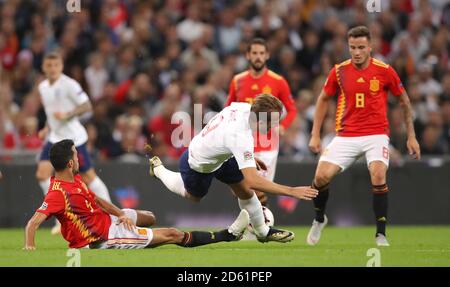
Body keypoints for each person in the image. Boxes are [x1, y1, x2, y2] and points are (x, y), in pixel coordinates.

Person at [148, 94, 318, 243]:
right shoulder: (240, 136)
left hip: (222, 155)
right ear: (259, 121)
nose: (275, 126)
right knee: (193, 196)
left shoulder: (244, 108)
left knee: (243, 189)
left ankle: (263, 231)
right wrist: (292, 191)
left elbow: (230, 139)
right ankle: (159, 170)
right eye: (273, 122)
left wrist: (248, 157)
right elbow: (253, 179)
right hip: (198, 163)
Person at [306, 26, 421, 247]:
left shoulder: (385, 70)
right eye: (352, 47)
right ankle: (319, 219)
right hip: (346, 134)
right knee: (320, 178)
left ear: (370, 47)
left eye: (361, 47)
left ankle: (380, 234)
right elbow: (322, 99)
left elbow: (404, 101)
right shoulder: (339, 71)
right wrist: (315, 134)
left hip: (376, 134)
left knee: (378, 175)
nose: (356, 52)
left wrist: (411, 136)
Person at [24, 139, 250, 250]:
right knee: (172, 234)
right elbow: (33, 223)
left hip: (108, 220)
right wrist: (30, 248)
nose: (80, 158)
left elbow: (98, 201)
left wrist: (120, 214)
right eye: (76, 154)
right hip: (105, 238)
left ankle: (144, 234)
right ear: (71, 161)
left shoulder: (74, 180)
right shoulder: (57, 193)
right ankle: (228, 235)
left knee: (149, 217)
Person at [35, 52, 111, 234]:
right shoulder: (43, 87)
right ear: (44, 67)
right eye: (49, 65)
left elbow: (87, 106)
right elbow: (50, 111)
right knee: (42, 174)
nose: (52, 68)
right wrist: (46, 128)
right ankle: (60, 218)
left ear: (61, 66)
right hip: (54, 137)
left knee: (89, 178)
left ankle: (112, 215)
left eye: (56, 65)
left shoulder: (69, 84)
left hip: (75, 139)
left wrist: (68, 115)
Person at [226, 38, 298, 214]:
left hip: (267, 143)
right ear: (248, 55)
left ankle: (259, 226)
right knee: (241, 189)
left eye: (261, 53)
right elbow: (229, 109)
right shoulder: (238, 80)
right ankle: (258, 225)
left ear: (267, 55)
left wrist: (283, 125)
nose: (258, 57)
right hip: (242, 141)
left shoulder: (278, 81)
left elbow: (292, 109)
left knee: (258, 188)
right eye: (254, 53)